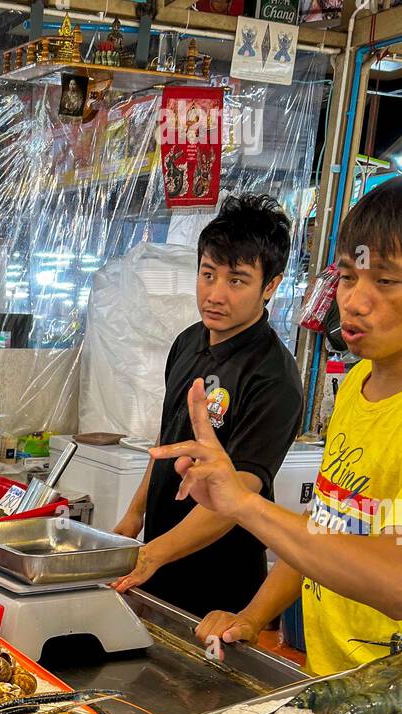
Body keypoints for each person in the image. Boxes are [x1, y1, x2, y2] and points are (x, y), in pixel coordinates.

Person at [169, 178, 402, 676]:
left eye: (386, 281)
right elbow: (325, 528)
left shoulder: (274, 374)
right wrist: (254, 617)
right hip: (331, 679)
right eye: (346, 276)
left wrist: (245, 504)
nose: (355, 302)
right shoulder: (358, 383)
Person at [111, 194, 304, 617]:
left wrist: (152, 554)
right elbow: (169, 438)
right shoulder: (189, 341)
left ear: (270, 286)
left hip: (219, 585)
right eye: (208, 274)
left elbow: (240, 495)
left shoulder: (274, 378)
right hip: (159, 564)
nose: (215, 294)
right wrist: (134, 514)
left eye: (236, 280)